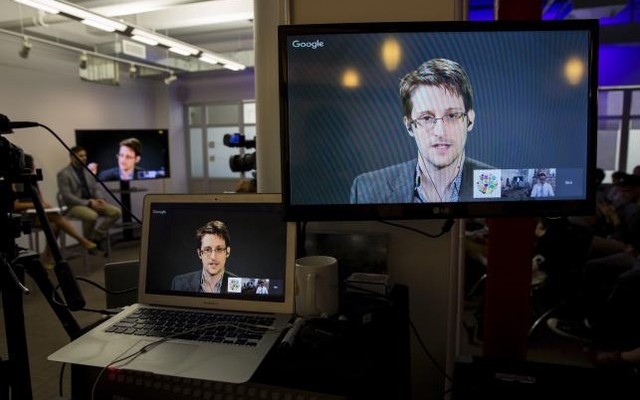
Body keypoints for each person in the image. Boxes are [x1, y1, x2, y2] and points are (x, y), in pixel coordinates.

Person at [350, 58, 492, 204]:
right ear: (409, 125)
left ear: (470, 119)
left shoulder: (505, 188)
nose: (440, 132)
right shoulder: (366, 191)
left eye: (451, 116)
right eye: (426, 118)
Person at [14, 154, 97, 267]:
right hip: (23, 217)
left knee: (55, 224)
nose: (34, 165)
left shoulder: (33, 181)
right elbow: (15, 206)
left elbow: (41, 201)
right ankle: (82, 241)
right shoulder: (13, 181)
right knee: (55, 217)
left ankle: (46, 258)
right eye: (32, 163)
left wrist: (50, 207)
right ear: (25, 166)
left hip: (37, 213)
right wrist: (36, 205)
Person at [57, 146, 122, 249]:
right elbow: (67, 196)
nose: (84, 158)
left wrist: (100, 199)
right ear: (72, 157)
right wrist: (88, 203)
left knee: (116, 212)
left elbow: (95, 189)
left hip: (93, 203)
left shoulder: (88, 171)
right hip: (74, 206)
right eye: (81, 155)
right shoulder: (63, 174)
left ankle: (95, 237)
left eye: (85, 155)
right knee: (92, 216)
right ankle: (87, 242)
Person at [171, 220, 237, 293]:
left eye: (219, 249)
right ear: (199, 253)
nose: (213, 257)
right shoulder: (179, 284)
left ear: (227, 252)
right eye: (207, 250)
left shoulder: (240, 287)